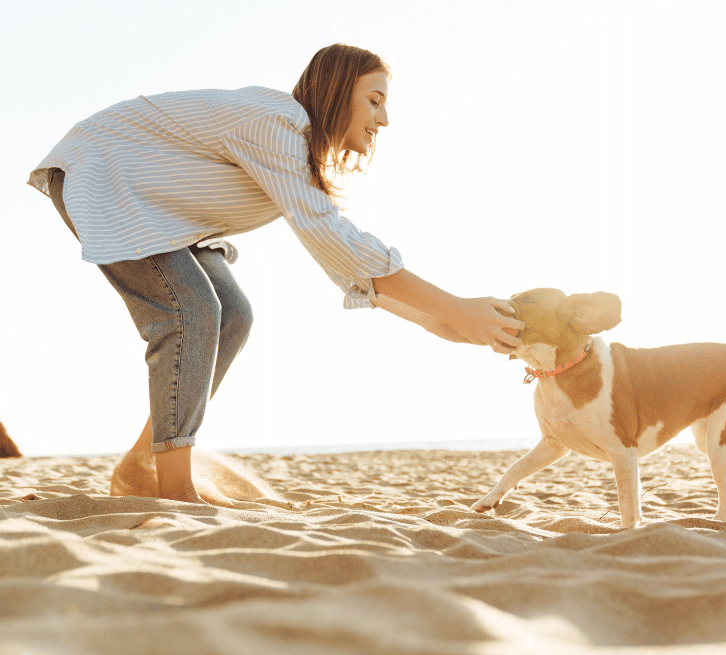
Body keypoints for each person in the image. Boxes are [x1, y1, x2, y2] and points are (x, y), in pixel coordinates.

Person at [28, 43, 523, 505]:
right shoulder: (278, 124)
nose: (385, 118)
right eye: (374, 101)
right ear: (336, 91)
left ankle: (141, 465)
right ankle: (175, 490)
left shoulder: (294, 155)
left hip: (156, 203)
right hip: (104, 171)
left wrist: (456, 327)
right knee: (193, 310)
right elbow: (337, 240)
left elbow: (351, 268)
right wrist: (456, 307)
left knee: (233, 314)